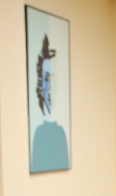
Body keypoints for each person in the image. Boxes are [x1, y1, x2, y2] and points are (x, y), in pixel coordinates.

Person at [31, 35, 69, 172]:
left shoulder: (60, 134)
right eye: (46, 79)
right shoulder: (39, 134)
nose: (50, 89)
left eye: (53, 79)